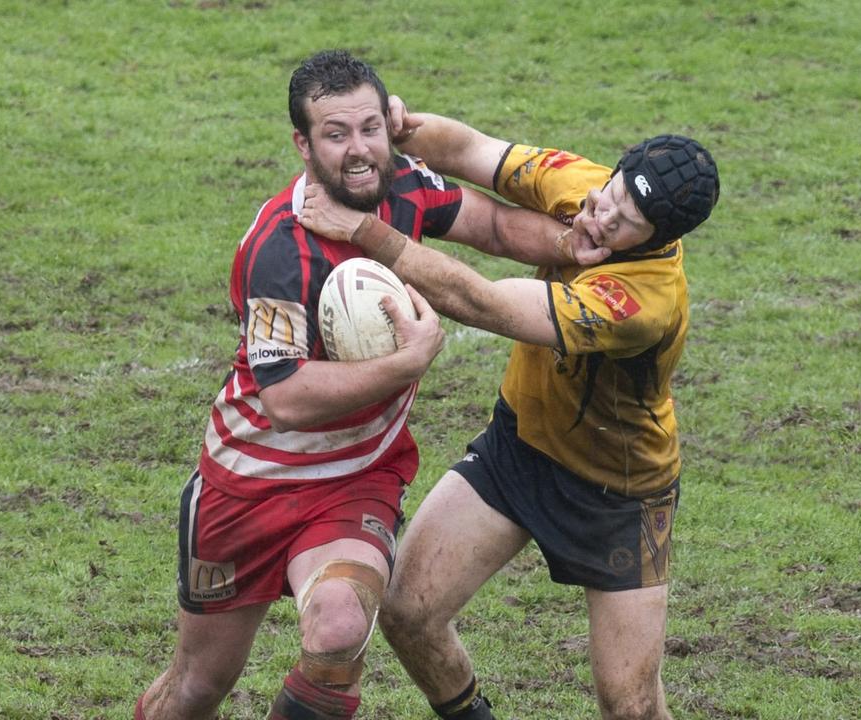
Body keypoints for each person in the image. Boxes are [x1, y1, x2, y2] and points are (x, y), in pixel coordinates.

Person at [135, 51, 576, 720]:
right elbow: (284, 397)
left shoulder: (406, 187)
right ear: (304, 145)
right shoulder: (282, 250)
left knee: (339, 631)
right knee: (197, 688)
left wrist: (584, 248)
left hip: (354, 480)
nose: (360, 150)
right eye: (336, 135)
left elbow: (492, 226)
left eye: (371, 127)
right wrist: (405, 365)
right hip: (246, 484)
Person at [298, 102, 719, 719]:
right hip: (518, 450)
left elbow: (489, 305)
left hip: (619, 495)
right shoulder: (589, 186)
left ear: (660, 238)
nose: (600, 218)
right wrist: (389, 130)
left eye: (624, 223)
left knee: (628, 705)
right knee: (409, 611)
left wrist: (365, 231)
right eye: (610, 196)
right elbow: (471, 150)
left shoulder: (642, 303)